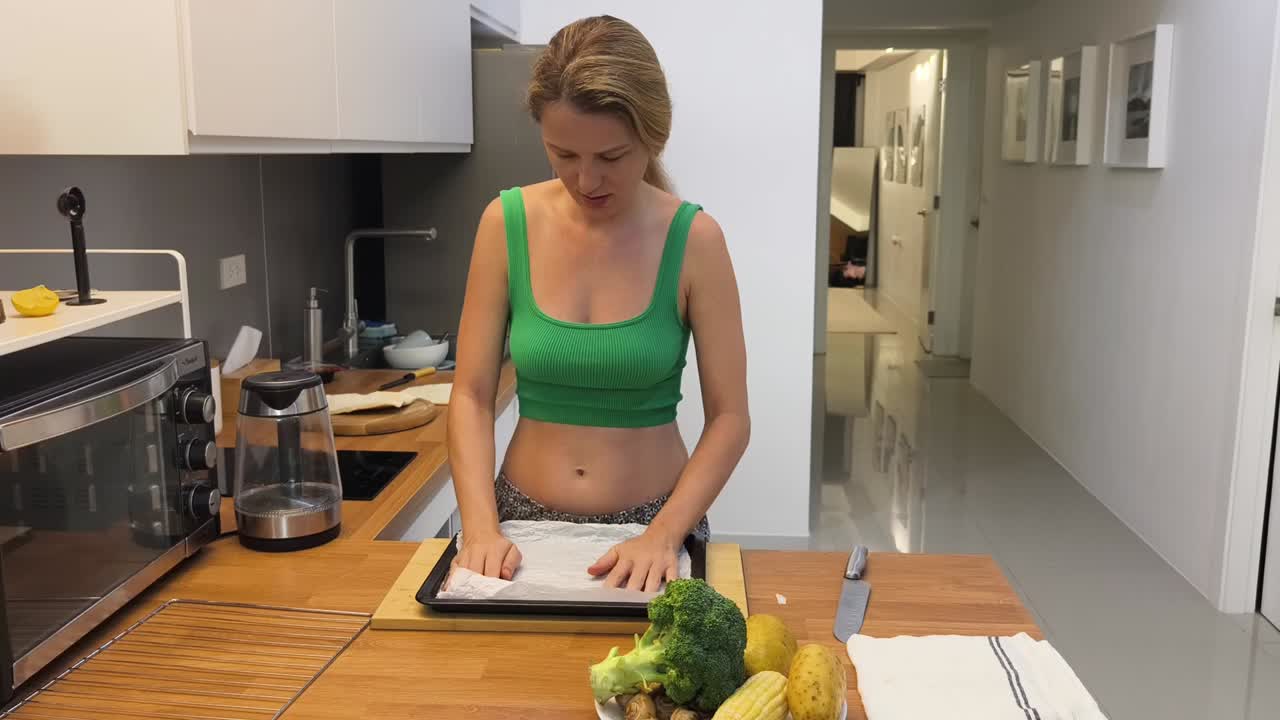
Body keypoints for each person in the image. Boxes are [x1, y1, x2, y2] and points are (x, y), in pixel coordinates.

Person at [448, 15, 749, 593]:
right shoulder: (504, 223)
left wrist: (663, 534)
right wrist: (480, 526)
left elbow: (731, 419)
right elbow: (471, 394)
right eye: (562, 154)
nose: (586, 180)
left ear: (652, 138)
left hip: (655, 526)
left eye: (611, 156)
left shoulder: (695, 240)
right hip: (518, 524)